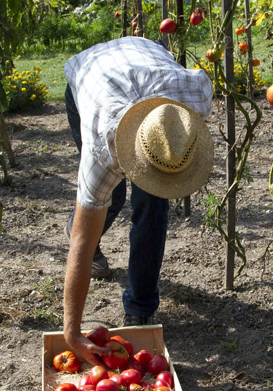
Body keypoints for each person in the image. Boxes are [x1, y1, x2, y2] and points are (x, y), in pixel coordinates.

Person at [61, 36, 214, 365]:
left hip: (144, 56)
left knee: (153, 207)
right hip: (90, 77)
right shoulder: (103, 150)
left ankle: (140, 308)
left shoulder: (192, 103)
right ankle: (80, 223)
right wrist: (72, 334)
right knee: (108, 200)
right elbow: (80, 246)